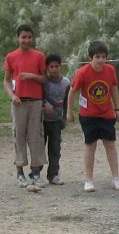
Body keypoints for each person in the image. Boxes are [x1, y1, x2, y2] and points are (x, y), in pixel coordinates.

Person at [66, 41, 119, 193]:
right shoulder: (83, 72)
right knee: (90, 146)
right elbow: (73, 91)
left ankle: (116, 177)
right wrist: (69, 111)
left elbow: (113, 88)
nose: (100, 60)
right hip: (88, 115)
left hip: (106, 113)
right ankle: (89, 180)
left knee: (110, 144)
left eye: (103, 57)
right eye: (97, 57)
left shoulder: (110, 70)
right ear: (90, 57)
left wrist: (117, 108)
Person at [3, 24, 47, 187]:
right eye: (23, 37)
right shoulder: (11, 57)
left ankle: (36, 172)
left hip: (35, 102)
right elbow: (7, 81)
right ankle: (20, 172)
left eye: (29, 37)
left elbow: (45, 79)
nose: (26, 40)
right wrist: (12, 95)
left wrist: (32, 76)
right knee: (18, 136)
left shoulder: (39, 56)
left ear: (32, 38)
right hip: (19, 103)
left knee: (36, 137)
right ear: (18, 38)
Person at [42, 54, 70, 185]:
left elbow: (66, 101)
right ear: (47, 68)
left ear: (60, 66)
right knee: (39, 147)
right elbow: (39, 96)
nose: (54, 69)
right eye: (51, 66)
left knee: (55, 148)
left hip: (57, 121)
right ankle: (36, 172)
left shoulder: (66, 83)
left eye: (56, 66)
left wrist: (64, 117)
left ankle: (53, 174)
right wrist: (44, 104)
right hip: (42, 120)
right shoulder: (44, 82)